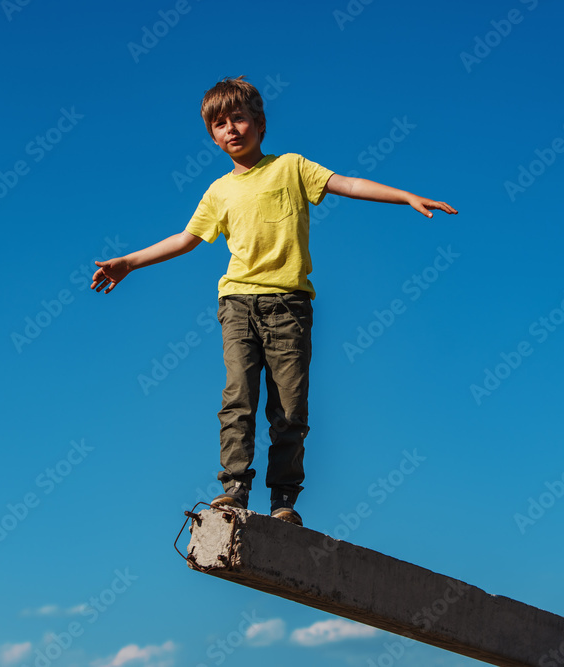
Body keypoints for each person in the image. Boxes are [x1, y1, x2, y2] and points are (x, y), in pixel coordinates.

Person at [91, 76, 456, 526]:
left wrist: (404, 196)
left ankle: (284, 500)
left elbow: (349, 184)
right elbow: (186, 239)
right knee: (237, 396)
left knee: (289, 406)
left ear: (260, 124)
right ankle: (234, 488)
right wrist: (130, 260)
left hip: (288, 306)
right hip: (238, 303)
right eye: (220, 123)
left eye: (239, 118)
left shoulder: (291, 167)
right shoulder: (218, 191)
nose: (231, 129)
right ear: (212, 135)